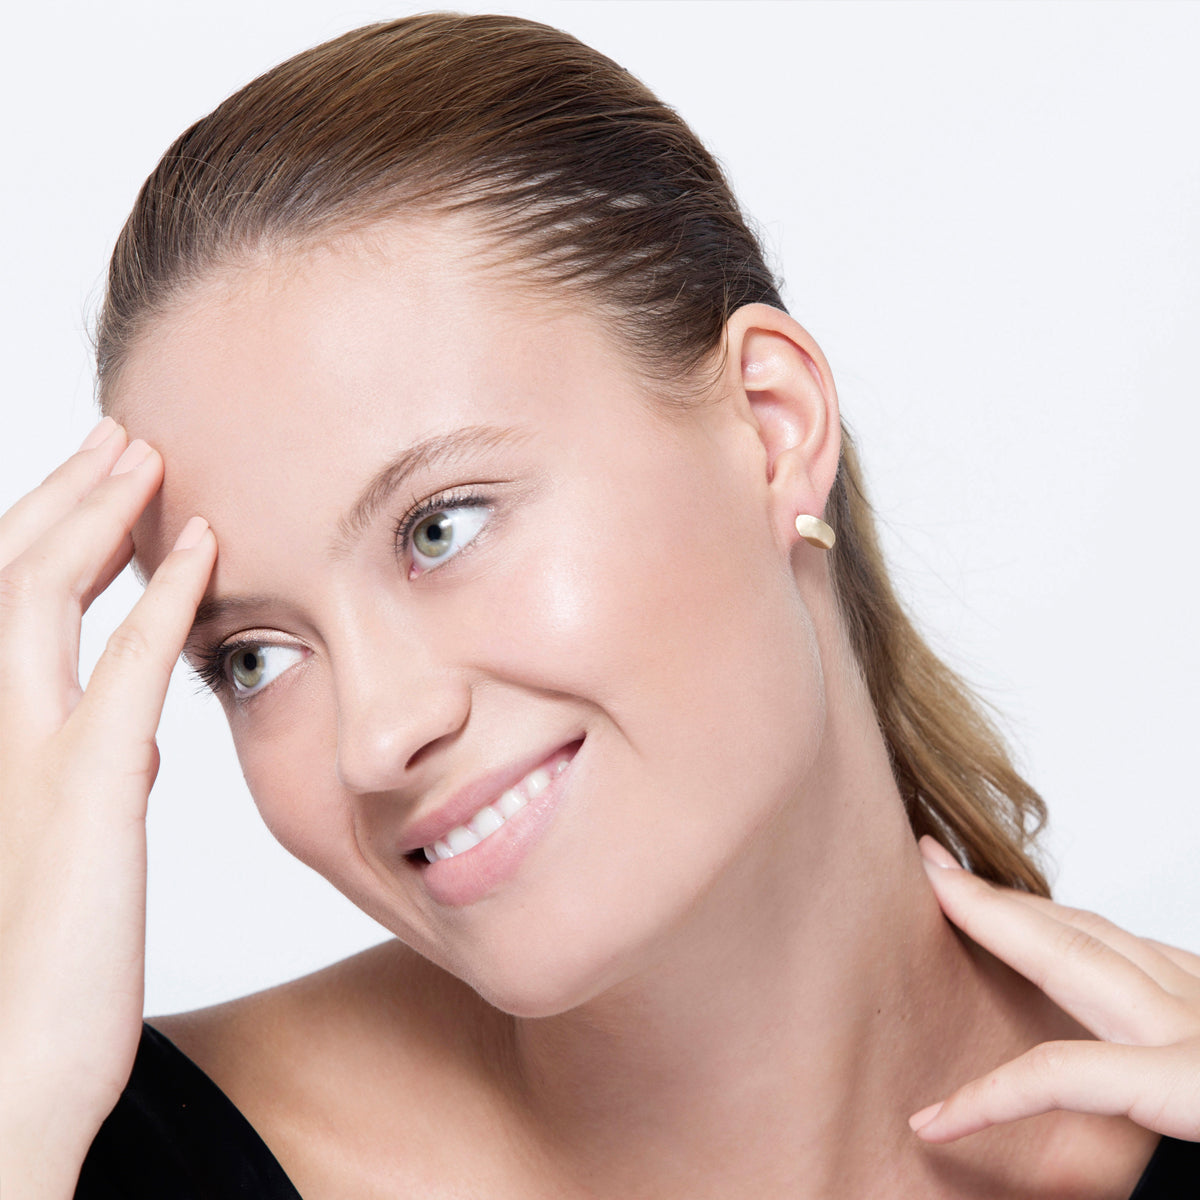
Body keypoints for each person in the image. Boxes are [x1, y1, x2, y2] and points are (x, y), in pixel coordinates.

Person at [1, 12, 1197, 1198]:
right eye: (254, 656)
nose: (376, 739)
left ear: (772, 429)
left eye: (440, 527)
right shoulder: (83, 1145)